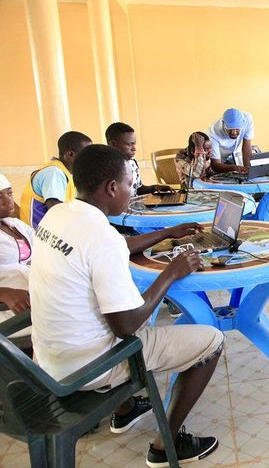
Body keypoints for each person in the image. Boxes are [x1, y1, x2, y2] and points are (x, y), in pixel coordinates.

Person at [30, 144, 223, 466]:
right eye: (130, 185)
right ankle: (167, 445)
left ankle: (126, 411)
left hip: (50, 359)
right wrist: (170, 274)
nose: (133, 191)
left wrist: (168, 233)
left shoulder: (61, 215)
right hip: (88, 367)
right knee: (212, 341)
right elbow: (127, 325)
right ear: (112, 187)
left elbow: (115, 245)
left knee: (119, 311)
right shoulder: (99, 235)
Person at [19, 131, 91, 228]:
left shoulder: (66, 173)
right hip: (37, 236)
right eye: (87, 154)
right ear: (70, 155)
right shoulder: (54, 173)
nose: (91, 158)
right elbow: (55, 209)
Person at [0, 173, 34, 353]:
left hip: (36, 299)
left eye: (9, 193)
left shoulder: (15, 225)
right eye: (0, 196)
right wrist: (4, 293)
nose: (8, 201)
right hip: (12, 315)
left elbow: (42, 250)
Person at [106, 122, 173, 197]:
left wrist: (155, 188)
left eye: (134, 144)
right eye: (129, 144)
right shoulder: (106, 168)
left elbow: (138, 189)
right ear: (113, 144)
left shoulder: (132, 162)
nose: (134, 149)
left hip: (132, 205)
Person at [207, 108, 253, 173]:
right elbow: (215, 166)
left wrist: (249, 171)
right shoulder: (213, 133)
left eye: (237, 128)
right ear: (223, 123)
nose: (234, 132)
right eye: (230, 128)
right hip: (220, 161)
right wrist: (235, 168)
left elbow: (246, 148)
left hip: (234, 155)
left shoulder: (247, 119)